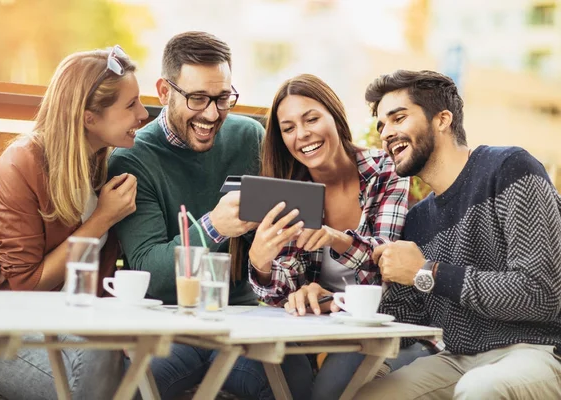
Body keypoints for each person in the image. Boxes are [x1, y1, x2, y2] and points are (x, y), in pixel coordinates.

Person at [108, 31, 312, 400]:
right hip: (169, 326)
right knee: (134, 387)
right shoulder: (132, 158)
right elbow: (148, 271)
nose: (212, 114)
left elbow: (276, 245)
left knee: (292, 379)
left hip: (241, 319)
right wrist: (213, 227)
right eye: (198, 98)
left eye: (222, 98)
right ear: (165, 91)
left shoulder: (249, 136)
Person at [354, 69, 561, 399]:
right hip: (458, 359)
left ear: (442, 119)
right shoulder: (418, 219)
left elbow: (540, 294)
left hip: (538, 350)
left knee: (480, 389)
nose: (386, 134)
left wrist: (427, 272)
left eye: (398, 118)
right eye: (381, 125)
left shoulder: (509, 168)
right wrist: (345, 301)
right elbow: (413, 320)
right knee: (368, 395)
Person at [0, 46, 148, 399]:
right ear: (89, 118)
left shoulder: (99, 163)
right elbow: (26, 285)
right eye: (130, 105)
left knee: (122, 369)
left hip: (63, 321)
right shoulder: (22, 163)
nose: (143, 114)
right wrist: (102, 218)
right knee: (96, 387)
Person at [244, 74, 424, 399]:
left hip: (380, 326)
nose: (302, 134)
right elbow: (280, 294)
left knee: (326, 393)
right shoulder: (291, 189)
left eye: (311, 118)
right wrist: (262, 264)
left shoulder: (384, 170)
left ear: (335, 115)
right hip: (315, 332)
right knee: (283, 383)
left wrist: (334, 239)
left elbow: (385, 267)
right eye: (288, 128)